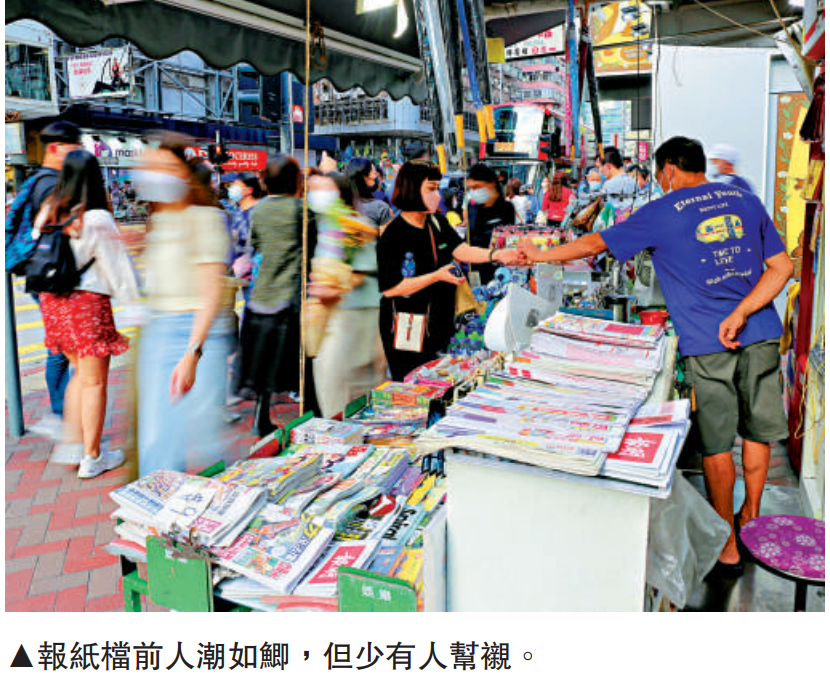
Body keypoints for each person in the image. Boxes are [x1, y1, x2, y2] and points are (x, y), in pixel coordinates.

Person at [518, 136, 793, 578]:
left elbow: (592, 246)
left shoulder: (663, 211)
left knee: (718, 444)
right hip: (761, 332)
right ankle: (751, 519)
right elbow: (783, 268)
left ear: (667, 169)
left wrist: (539, 254)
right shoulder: (746, 201)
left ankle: (725, 544)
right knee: (757, 432)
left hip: (710, 341)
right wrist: (744, 310)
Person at [135, 133, 236, 476]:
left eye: (165, 166)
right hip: (158, 330)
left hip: (194, 331)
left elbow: (210, 293)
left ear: (183, 174)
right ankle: (162, 508)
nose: (154, 174)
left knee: (202, 440)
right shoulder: (159, 220)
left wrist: (193, 353)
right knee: (157, 437)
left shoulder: (204, 219)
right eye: (149, 166)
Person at [34, 150, 141, 476]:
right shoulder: (96, 218)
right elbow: (119, 270)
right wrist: (135, 306)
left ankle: (74, 445)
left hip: (53, 303)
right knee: (94, 382)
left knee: (79, 375)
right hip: (86, 305)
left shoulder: (49, 213)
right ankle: (92, 457)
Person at [377, 160, 519, 380]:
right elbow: (391, 288)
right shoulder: (394, 234)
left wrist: (495, 255)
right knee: (414, 384)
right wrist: (436, 276)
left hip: (441, 323)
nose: (437, 194)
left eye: (437, 187)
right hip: (407, 327)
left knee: (441, 380)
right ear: (413, 189)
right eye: (431, 189)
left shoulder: (437, 222)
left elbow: (461, 249)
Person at [235, 155, 306, 437]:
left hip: (261, 296)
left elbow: (255, 246)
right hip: (292, 297)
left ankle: (261, 418)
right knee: (301, 363)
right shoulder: (301, 209)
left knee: (263, 363)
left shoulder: (260, 210)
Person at [22, 121, 82, 439]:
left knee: (59, 346)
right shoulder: (51, 184)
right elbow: (63, 230)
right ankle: (62, 413)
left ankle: (63, 412)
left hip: (45, 277)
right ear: (56, 148)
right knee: (61, 348)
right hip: (53, 278)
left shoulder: (40, 180)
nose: (80, 153)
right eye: (75, 147)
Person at [308, 171, 386, 417]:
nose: (316, 195)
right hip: (334, 313)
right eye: (313, 189)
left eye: (324, 189)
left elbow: (362, 271)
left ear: (340, 192)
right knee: (336, 382)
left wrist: (334, 289)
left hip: (356, 316)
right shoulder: (327, 223)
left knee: (341, 382)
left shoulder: (356, 224)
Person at [465, 163, 518, 283]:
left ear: (491, 183)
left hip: (500, 271)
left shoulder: (507, 208)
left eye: (477, 186)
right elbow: (468, 238)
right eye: (471, 188)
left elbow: (508, 241)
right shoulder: (472, 207)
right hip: (475, 268)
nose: (473, 191)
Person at [345, 157, 393, 230]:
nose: (376, 177)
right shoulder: (380, 207)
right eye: (374, 173)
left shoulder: (338, 205)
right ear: (366, 178)